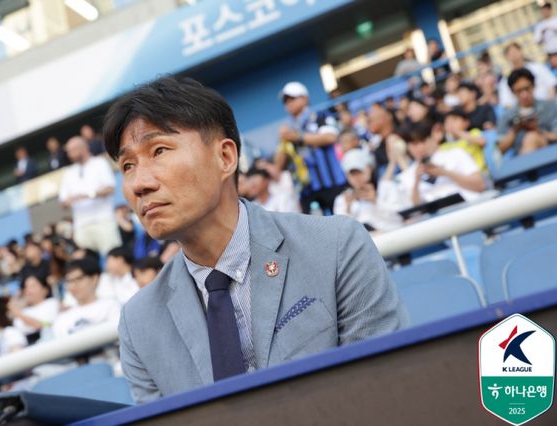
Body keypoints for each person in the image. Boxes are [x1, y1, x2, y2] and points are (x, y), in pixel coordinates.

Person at [103, 76, 408, 403]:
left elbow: (385, 394)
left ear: (225, 157)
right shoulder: (139, 324)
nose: (139, 184)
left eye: (159, 150)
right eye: (128, 165)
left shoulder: (336, 247)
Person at [276, 81, 346, 214]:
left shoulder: (320, 115)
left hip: (332, 182)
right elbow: (279, 164)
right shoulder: (287, 127)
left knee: (341, 220)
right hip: (306, 190)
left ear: (305, 98)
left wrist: (298, 137)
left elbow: (331, 137)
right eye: (286, 101)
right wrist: (282, 141)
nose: (289, 103)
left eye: (292, 98)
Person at [58, 136, 121, 253]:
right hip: (81, 225)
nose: (69, 154)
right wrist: (68, 201)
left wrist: (87, 195)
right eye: (68, 151)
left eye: (72, 150)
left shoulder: (100, 163)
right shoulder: (68, 172)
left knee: (113, 255)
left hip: (103, 221)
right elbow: (62, 203)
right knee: (86, 261)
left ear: (83, 148)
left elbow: (110, 189)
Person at [398, 123, 486, 206]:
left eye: (423, 141)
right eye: (414, 144)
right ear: (408, 146)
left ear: (432, 138)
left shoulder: (456, 154)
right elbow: (415, 208)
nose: (420, 147)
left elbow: (480, 185)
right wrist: (417, 181)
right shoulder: (407, 175)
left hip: (469, 207)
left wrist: (446, 173)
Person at [332, 149, 403, 233]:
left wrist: (375, 201)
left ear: (369, 169)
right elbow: (342, 231)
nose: (357, 177)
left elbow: (400, 217)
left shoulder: (386, 187)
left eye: (359, 171)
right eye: (352, 173)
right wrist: (348, 208)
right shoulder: (342, 200)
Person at [52, 258, 120, 339]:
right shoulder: (61, 320)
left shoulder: (112, 307)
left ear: (94, 279)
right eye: (69, 281)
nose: (73, 286)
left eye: (78, 279)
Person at [497, 68, 557, 156]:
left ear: (534, 86)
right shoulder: (507, 116)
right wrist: (515, 129)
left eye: (527, 89)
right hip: (520, 155)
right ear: (512, 91)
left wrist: (537, 130)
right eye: (519, 91)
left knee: (531, 137)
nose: (524, 95)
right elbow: (500, 149)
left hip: (550, 153)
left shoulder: (549, 107)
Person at [498, 43, 556, 109]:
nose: (514, 55)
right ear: (506, 57)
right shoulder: (505, 82)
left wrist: (548, 105)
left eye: (515, 51)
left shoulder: (538, 67)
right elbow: (507, 104)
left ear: (521, 52)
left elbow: (551, 85)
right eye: (510, 53)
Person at [9, 274, 60, 344]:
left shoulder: (52, 303)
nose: (28, 290)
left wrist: (17, 313)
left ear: (45, 290)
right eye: (26, 287)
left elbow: (45, 325)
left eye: (33, 286)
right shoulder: (23, 311)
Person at [439, 108, 487, 172]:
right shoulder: (443, 146)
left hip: (480, 173)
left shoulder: (473, 133)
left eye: (454, 120)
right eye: (447, 122)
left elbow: (482, 142)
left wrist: (458, 132)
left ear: (466, 123)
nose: (450, 124)